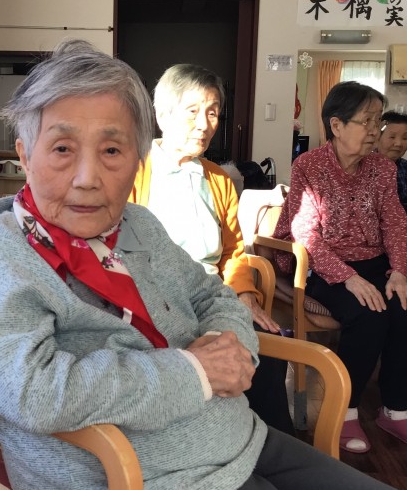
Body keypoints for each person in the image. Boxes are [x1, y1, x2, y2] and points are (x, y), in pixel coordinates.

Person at [0, 41, 407, 490]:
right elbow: (30, 389)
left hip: (234, 438)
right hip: (134, 487)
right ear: (24, 152)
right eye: (61, 148)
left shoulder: (136, 226)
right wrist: (193, 371)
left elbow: (213, 292)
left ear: (136, 157)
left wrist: (231, 347)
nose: (87, 177)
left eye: (112, 150)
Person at [130, 63, 294, 435]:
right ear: (162, 115)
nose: (204, 124)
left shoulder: (218, 178)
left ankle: (269, 444)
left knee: (268, 350)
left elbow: (233, 250)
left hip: (212, 296)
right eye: (193, 111)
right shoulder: (134, 169)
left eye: (213, 112)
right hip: (155, 299)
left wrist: (245, 295)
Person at [273, 81, 407, 454]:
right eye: (366, 121)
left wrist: (399, 270)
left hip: (375, 261)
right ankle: (344, 411)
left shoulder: (382, 168)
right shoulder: (309, 166)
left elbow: (395, 222)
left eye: (378, 121)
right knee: (369, 315)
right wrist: (348, 278)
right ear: (337, 125)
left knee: (403, 307)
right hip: (324, 265)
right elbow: (305, 233)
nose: (374, 131)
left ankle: (395, 409)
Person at [376, 110, 407, 212]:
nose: (398, 143)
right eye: (392, 137)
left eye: (405, 138)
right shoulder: (363, 167)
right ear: (378, 137)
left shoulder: (405, 167)